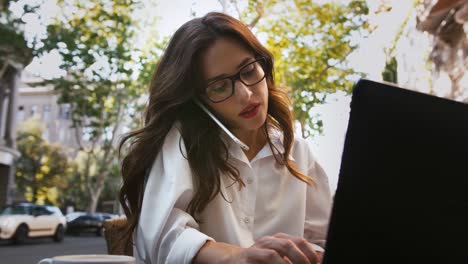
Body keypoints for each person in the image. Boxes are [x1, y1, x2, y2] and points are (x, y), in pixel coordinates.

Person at [119, 12, 332, 264]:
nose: (245, 93)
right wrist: (238, 257)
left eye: (249, 70)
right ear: (198, 100)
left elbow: (322, 240)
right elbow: (164, 237)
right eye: (219, 86)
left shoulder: (297, 151)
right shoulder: (181, 142)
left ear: (263, 63)